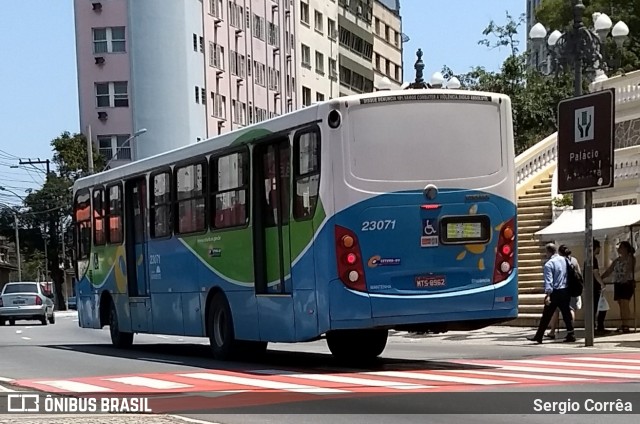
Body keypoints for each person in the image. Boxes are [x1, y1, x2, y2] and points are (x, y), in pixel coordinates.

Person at [528, 243, 576, 344]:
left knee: (546, 315)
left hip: (555, 292)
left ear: (548, 252)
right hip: (565, 290)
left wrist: (548, 295)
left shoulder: (549, 264)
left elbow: (548, 281)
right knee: (566, 313)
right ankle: (571, 333)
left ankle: (539, 335)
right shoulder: (565, 260)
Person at [545, 245, 581, 339]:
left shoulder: (552, 263)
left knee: (551, 312)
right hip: (569, 289)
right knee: (569, 310)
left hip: (557, 290)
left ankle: (551, 331)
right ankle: (570, 331)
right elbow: (579, 274)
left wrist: (548, 294)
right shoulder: (572, 260)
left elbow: (549, 280)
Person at [601, 240, 636, 333]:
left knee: (625, 303)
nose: (619, 249)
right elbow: (609, 270)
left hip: (627, 283)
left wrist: (624, 279)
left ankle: (626, 324)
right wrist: (601, 278)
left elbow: (629, 270)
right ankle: (623, 323)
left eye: (621, 247)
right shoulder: (617, 260)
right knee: (620, 304)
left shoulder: (630, 258)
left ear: (626, 249)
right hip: (618, 283)